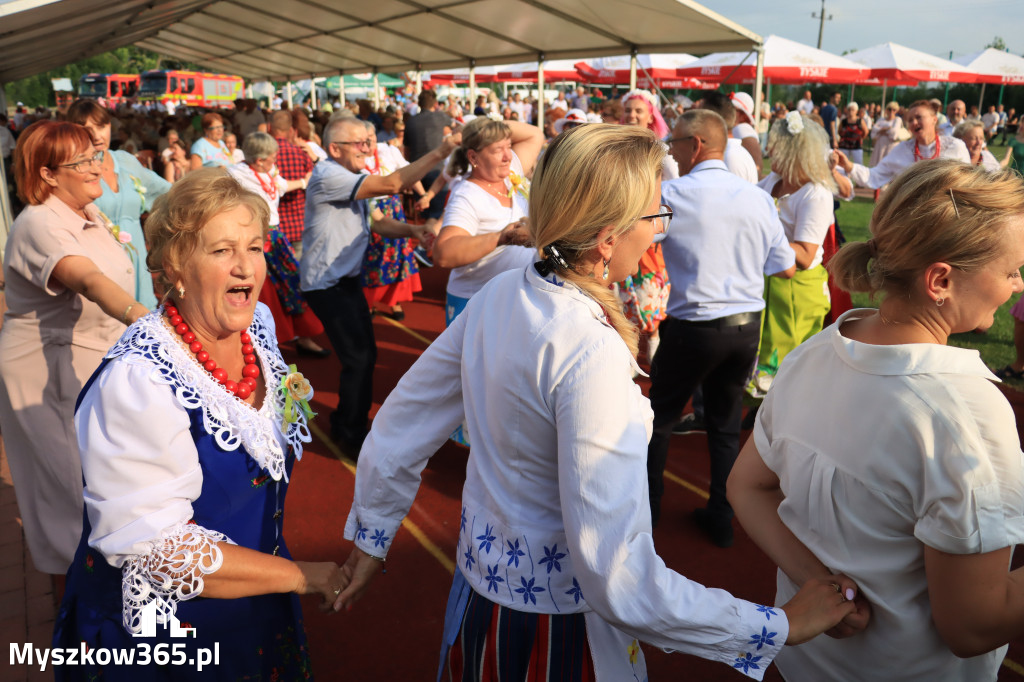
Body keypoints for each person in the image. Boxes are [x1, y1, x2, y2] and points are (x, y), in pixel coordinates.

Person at [336, 123, 857, 680]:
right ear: (608, 238)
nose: (658, 234)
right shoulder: (586, 349)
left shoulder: (503, 293)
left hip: (479, 596)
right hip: (555, 633)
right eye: (655, 217)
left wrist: (371, 536)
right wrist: (778, 626)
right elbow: (618, 578)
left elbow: (402, 421)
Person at [729, 159, 1024, 682]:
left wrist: (822, 585)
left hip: (803, 664)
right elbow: (973, 626)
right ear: (940, 280)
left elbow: (745, 487)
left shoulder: (816, 351)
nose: (1017, 285)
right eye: (1010, 270)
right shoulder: (965, 414)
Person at [52, 168, 343, 680]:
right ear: (175, 268)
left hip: (250, 598)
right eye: (221, 250)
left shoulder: (257, 327)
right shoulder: (139, 380)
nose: (245, 266)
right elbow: (156, 549)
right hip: (164, 636)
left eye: (255, 247)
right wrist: (300, 576)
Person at [0, 121, 147, 574]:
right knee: (69, 483)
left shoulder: (87, 213)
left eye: (95, 155)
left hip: (90, 356)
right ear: (47, 175)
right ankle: (82, 601)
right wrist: (150, 325)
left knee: (98, 474)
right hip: (48, 369)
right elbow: (88, 279)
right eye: (81, 161)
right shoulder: (40, 223)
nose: (95, 166)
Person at [647, 110, 796, 546]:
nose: (670, 150)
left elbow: (638, 239)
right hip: (745, 326)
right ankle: (721, 515)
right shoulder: (756, 197)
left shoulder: (672, 192)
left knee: (658, 420)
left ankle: (648, 511)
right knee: (725, 425)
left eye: (673, 143)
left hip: (693, 325)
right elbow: (784, 267)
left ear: (695, 145)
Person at [300, 117, 456, 458]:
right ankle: (350, 434)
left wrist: (412, 232)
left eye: (368, 141)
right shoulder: (330, 175)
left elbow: (379, 223)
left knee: (363, 356)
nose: (367, 147)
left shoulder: (350, 177)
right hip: (326, 282)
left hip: (344, 279)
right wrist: (441, 151)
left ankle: (349, 422)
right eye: (359, 143)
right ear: (334, 149)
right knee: (359, 357)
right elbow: (393, 183)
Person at [751, 112, 837, 394]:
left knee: (789, 362)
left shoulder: (816, 193)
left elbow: (804, 253)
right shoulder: (772, 181)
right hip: (767, 282)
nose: (769, 151)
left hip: (796, 291)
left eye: (775, 146)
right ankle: (761, 411)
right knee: (763, 356)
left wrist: (762, 233)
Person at [433, 117, 544, 324]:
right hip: (476, 303)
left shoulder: (510, 174)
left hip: (514, 298)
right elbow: (444, 253)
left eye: (509, 147)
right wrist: (503, 237)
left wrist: (486, 128)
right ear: (473, 157)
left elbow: (534, 134)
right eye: (496, 150)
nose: (507, 157)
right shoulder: (467, 195)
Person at [226, 132, 326, 356]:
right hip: (251, 237)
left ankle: (303, 336)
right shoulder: (234, 175)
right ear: (259, 159)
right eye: (273, 157)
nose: (276, 161)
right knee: (262, 291)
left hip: (275, 236)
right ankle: (261, 343)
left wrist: (304, 181)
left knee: (292, 284)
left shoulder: (267, 172)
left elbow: (279, 186)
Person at [66, 99, 171, 312]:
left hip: (138, 264)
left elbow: (167, 193)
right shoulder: (70, 169)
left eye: (102, 126)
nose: (97, 135)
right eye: (87, 129)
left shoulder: (125, 161)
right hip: (99, 266)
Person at [360, 121, 426, 321]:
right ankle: (369, 302)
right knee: (371, 255)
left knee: (396, 254)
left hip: (392, 207)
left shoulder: (388, 151)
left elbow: (410, 173)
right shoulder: (354, 159)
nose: (368, 141)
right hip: (367, 208)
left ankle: (394, 301)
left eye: (371, 136)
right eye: (363, 138)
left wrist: (423, 196)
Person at [837, 100, 969, 190]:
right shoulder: (903, 150)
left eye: (918, 117)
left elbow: (969, 181)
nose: (914, 122)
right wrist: (848, 165)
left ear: (934, 119)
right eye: (910, 120)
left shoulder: (954, 146)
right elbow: (874, 176)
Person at [730, 91, 764, 171]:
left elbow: (757, 166)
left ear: (742, 115)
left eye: (732, 108)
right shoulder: (740, 129)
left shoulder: (742, 129)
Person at [869, 101, 904, 167]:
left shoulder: (897, 119)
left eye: (894, 110)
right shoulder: (881, 119)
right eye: (889, 109)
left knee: (889, 165)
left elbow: (894, 132)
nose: (891, 111)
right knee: (878, 165)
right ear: (887, 110)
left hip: (891, 146)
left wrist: (881, 130)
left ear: (896, 111)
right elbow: (874, 129)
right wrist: (885, 129)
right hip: (880, 145)